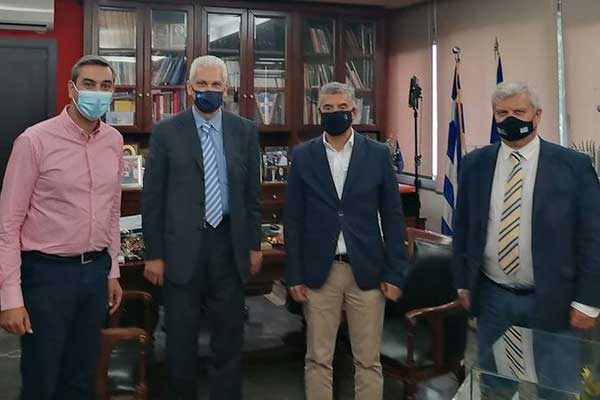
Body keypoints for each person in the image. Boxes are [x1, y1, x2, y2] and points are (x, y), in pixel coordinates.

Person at [452, 82, 600, 387]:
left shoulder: (573, 167)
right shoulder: (475, 164)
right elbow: (464, 227)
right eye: (502, 113)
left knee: (556, 388)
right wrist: (462, 282)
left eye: (519, 112)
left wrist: (588, 302)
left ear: (537, 115)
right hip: (493, 298)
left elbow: (593, 238)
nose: (510, 119)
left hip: (555, 301)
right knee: (496, 385)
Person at [0, 55, 123, 400]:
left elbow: (112, 210)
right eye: (89, 84)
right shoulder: (34, 141)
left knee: (81, 378)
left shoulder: (114, 141)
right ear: (71, 89)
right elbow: (8, 223)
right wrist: (10, 298)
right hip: (46, 276)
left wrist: (112, 271)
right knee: (42, 379)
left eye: (106, 86)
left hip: (94, 273)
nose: (97, 92)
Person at [142, 55, 262, 400]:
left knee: (229, 339)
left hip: (229, 245)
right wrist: (154, 254)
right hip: (181, 250)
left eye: (216, 84)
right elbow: (153, 199)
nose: (209, 90)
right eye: (202, 84)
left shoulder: (245, 131)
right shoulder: (166, 131)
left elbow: (252, 197)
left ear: (227, 88)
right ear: (189, 87)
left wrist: (254, 246)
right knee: (180, 341)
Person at [284, 81, 407, 400]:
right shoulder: (303, 155)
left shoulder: (377, 154)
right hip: (319, 272)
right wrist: (294, 274)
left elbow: (393, 216)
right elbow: (293, 219)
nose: (335, 113)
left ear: (354, 111)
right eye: (327, 108)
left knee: (368, 361)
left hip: (367, 270)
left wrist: (395, 272)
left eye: (342, 108)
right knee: (318, 359)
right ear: (318, 112)